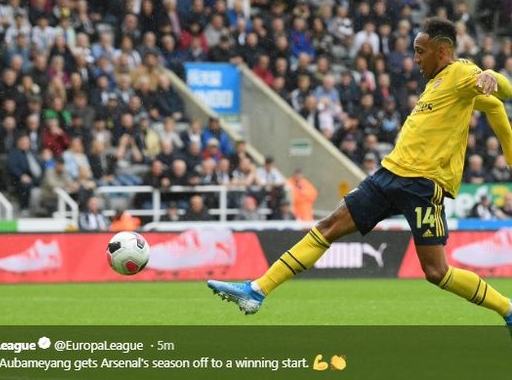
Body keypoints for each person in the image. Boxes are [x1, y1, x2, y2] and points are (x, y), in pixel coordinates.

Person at [208, 18, 512, 327]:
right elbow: (494, 109)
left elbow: (503, 94)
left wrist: (491, 76)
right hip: (388, 175)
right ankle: (257, 291)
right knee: (328, 226)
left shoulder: (461, 72)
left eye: (421, 52)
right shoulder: (437, 83)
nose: (416, 59)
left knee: (436, 272)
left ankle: (508, 309)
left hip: (423, 185)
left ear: (443, 51)